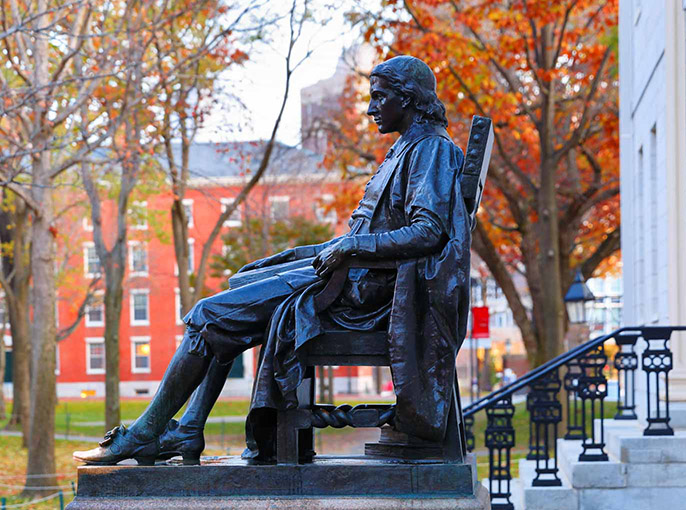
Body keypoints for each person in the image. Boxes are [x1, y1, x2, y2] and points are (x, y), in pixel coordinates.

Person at [73, 55, 471, 465]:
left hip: (366, 293)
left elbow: (429, 232)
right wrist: (302, 254)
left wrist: (350, 248)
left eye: (379, 98)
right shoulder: (408, 148)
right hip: (352, 278)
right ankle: (189, 427)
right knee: (240, 284)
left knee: (207, 315)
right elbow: (368, 233)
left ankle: (146, 432)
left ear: (407, 99)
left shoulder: (431, 151)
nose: (371, 109)